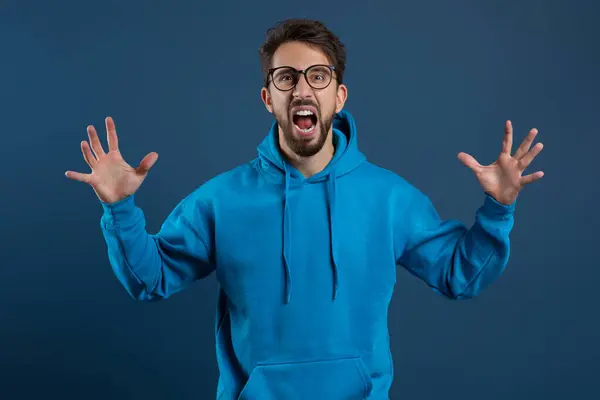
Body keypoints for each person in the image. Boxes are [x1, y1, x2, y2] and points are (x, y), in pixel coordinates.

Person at [65, 18, 544, 400]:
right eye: (285, 77)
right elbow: (150, 279)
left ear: (339, 95)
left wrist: (498, 209)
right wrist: (120, 208)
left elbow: (461, 275)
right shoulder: (220, 200)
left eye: (318, 76)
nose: (301, 88)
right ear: (268, 97)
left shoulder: (389, 198)